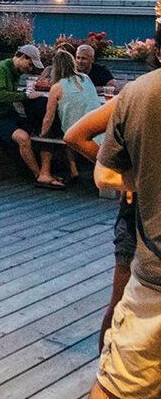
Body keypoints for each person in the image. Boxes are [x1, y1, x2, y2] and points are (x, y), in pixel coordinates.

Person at [90, 28, 161, 399]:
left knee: (119, 383)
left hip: (153, 275)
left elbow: (102, 172)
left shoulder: (139, 93)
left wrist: (141, 180)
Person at [64, 97, 129, 354]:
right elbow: (76, 135)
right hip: (139, 216)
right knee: (121, 302)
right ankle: (106, 373)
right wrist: (127, 177)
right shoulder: (139, 94)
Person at [0, 44, 65, 188]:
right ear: (23, 57)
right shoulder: (1, 69)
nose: (29, 69)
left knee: (41, 129)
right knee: (23, 137)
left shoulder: (14, 71)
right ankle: (39, 175)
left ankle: (46, 170)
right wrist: (26, 95)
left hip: (8, 113)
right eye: (29, 64)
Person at [39, 49, 103, 181]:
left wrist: (42, 135)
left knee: (60, 130)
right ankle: (74, 171)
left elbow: (48, 117)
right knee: (69, 126)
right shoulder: (85, 78)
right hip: (97, 126)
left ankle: (60, 170)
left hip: (75, 130)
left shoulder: (56, 87)